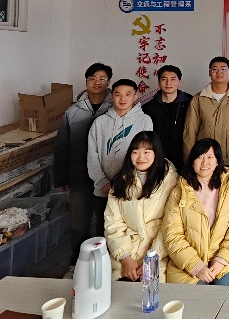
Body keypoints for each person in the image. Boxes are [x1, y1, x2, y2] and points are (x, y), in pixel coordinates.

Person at [54, 62, 113, 278]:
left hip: (106, 178)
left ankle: (105, 266)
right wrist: (61, 177)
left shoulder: (115, 109)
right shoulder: (73, 111)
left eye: (102, 78)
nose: (97, 82)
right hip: (79, 176)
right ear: (86, 81)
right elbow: (62, 145)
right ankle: (76, 266)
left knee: (106, 224)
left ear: (108, 82)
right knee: (79, 224)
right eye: (92, 78)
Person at [163, 138, 229, 285]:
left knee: (222, 293)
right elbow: (172, 235)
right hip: (189, 263)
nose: (204, 162)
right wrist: (196, 266)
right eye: (199, 157)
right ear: (192, 161)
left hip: (222, 259)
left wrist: (222, 259)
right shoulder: (179, 190)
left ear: (218, 161)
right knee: (201, 296)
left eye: (210, 157)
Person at [104, 131, 178, 282]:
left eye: (147, 152)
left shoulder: (170, 180)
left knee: (150, 291)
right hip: (125, 253)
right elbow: (113, 223)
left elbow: (172, 224)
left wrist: (152, 257)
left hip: (159, 254)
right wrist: (125, 258)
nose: (140, 157)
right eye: (135, 152)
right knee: (120, 290)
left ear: (156, 153)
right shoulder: (121, 182)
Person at [87, 79, 153, 207]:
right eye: (118, 94)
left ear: (135, 97)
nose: (123, 99)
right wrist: (102, 182)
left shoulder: (145, 120)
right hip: (104, 189)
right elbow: (92, 155)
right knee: (102, 219)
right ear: (112, 97)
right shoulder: (100, 122)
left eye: (128, 94)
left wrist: (129, 182)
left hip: (132, 188)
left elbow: (146, 155)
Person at [183, 57, 229, 172]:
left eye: (223, 69)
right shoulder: (198, 99)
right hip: (205, 159)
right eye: (215, 69)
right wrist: (189, 160)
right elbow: (190, 131)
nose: (219, 72)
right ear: (209, 72)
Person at [142, 65, 192, 172]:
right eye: (164, 79)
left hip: (184, 161)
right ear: (159, 82)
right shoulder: (148, 108)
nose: (168, 83)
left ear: (180, 82)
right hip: (156, 161)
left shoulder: (190, 104)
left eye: (173, 79)